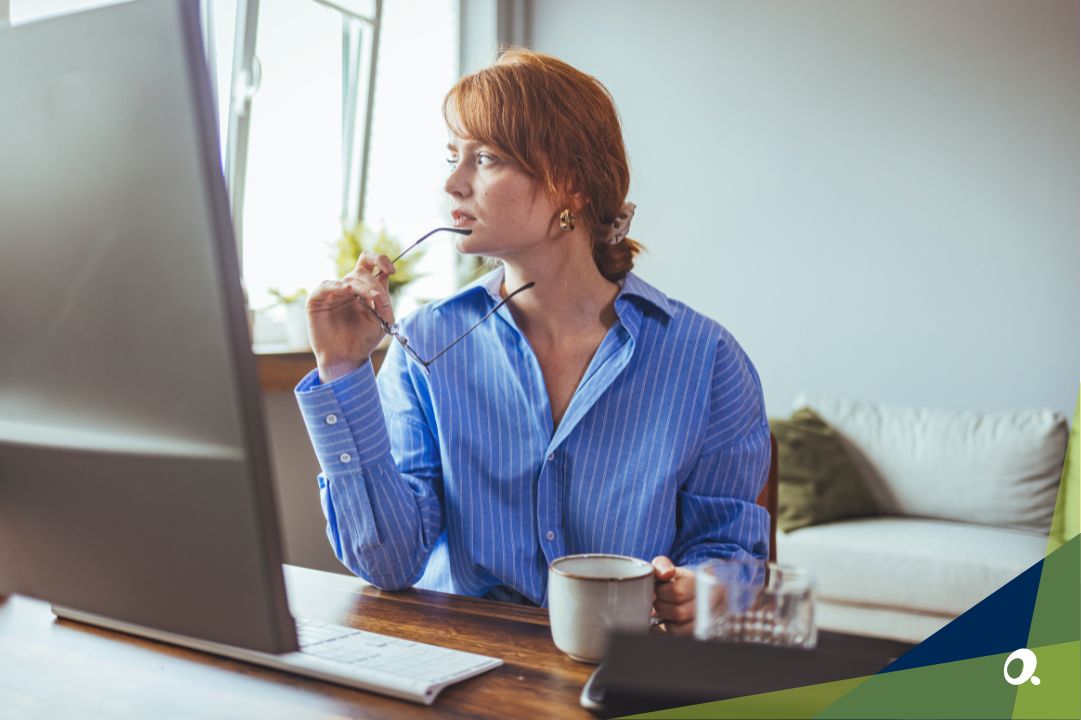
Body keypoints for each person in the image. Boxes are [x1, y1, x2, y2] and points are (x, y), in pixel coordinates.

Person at [295, 48, 769, 634]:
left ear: (568, 181)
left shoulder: (708, 360)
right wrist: (343, 369)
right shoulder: (427, 340)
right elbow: (387, 562)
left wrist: (709, 587)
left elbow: (736, 555)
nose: (453, 182)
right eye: (453, 156)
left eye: (485, 158)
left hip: (617, 672)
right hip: (461, 668)